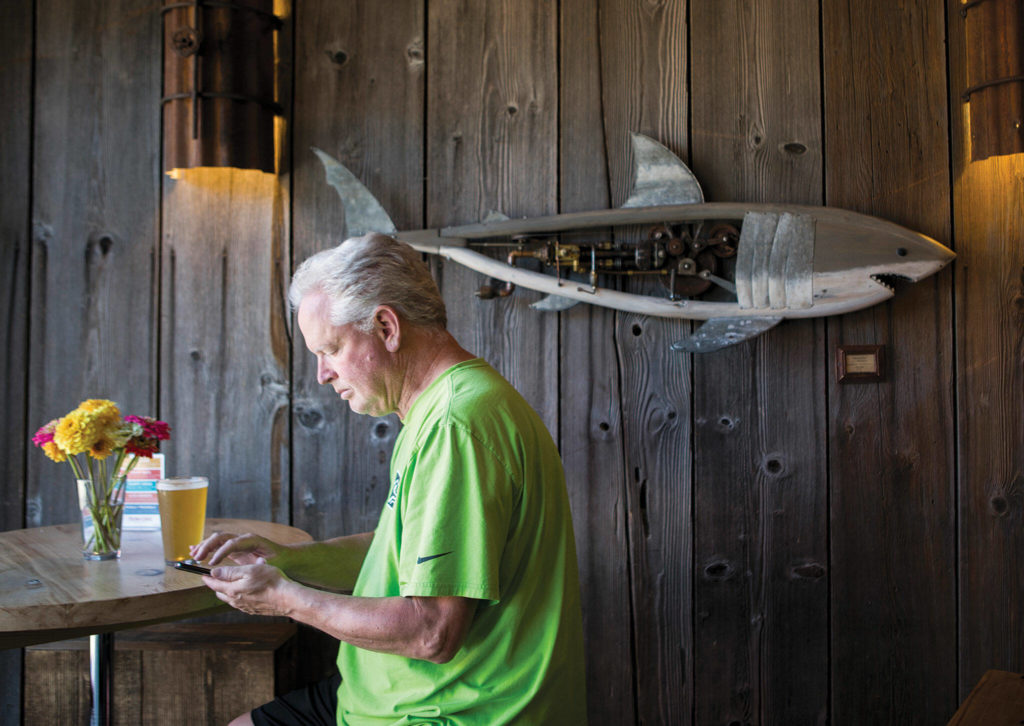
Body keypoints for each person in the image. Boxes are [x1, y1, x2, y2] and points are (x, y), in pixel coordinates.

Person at [192, 233, 587, 725]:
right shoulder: (440, 405)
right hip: (391, 696)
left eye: (331, 349)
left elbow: (432, 631)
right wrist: (289, 562)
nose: (321, 375)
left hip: (450, 713)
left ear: (386, 326)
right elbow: (405, 553)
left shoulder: (455, 424)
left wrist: (285, 599)